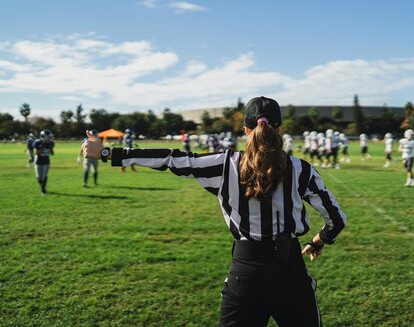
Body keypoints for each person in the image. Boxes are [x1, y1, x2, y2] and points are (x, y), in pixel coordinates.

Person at [83, 96, 346, 326]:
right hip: (290, 273)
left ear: (245, 129)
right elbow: (336, 220)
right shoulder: (302, 169)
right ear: (279, 129)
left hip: (246, 274)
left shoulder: (224, 165)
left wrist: (107, 152)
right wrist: (318, 241)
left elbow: (171, 159)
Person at [32, 129, 55, 194]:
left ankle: (43, 190)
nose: (49, 138)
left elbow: (52, 154)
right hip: (38, 161)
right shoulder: (37, 142)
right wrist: (42, 146)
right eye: (48, 136)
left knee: (44, 176)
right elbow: (36, 153)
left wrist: (50, 148)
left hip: (46, 160)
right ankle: (42, 187)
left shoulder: (51, 143)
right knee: (39, 177)